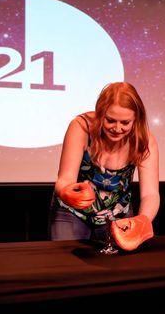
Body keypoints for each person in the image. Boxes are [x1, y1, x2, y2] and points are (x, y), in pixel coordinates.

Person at [50, 82, 159, 251]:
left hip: (117, 215)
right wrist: (67, 192)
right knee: (66, 266)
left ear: (135, 119)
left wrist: (142, 220)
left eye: (125, 122)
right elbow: (64, 179)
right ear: (100, 113)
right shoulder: (81, 128)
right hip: (73, 212)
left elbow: (151, 194)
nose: (117, 128)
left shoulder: (143, 140)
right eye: (110, 120)